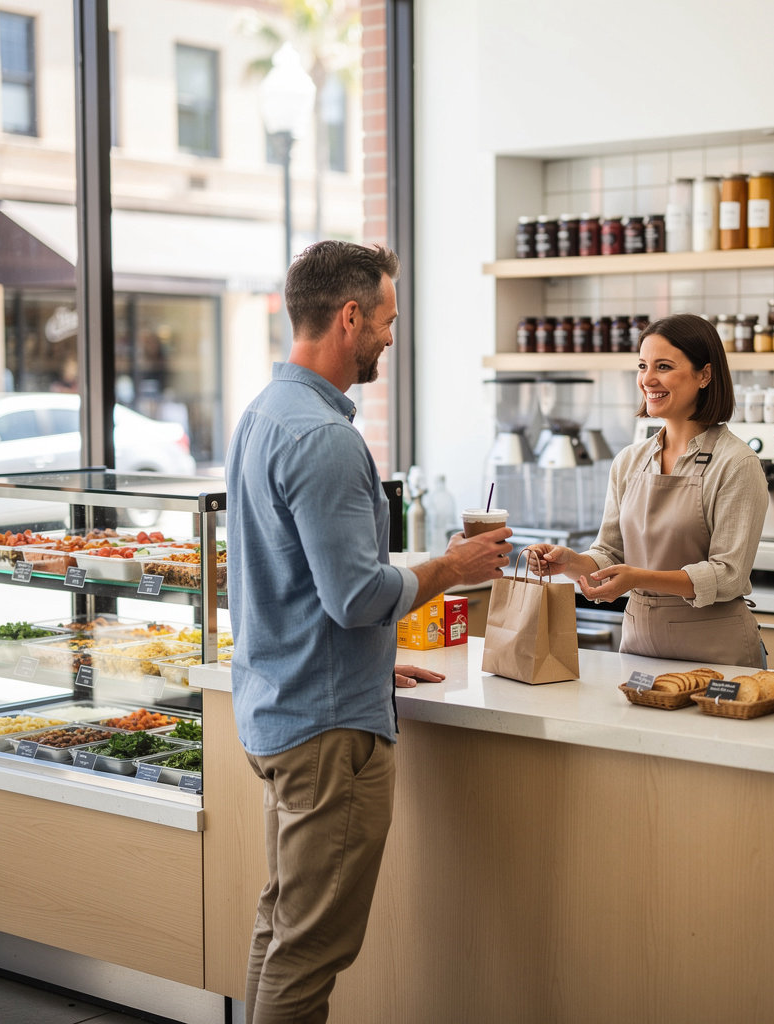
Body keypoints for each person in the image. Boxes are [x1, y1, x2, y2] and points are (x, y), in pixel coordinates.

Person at [225, 240, 512, 1024]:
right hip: (328, 735)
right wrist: (451, 568)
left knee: (283, 927)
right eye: (386, 320)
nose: (390, 336)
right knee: (311, 951)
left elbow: (284, 581)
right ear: (349, 317)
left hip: (281, 708)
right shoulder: (324, 437)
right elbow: (354, 596)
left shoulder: (262, 416)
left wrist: (372, 666)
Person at [528, 313, 768, 668]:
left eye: (664, 366)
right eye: (642, 366)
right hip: (641, 647)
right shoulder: (629, 461)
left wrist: (638, 577)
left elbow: (729, 575)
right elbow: (609, 553)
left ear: (705, 375)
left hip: (718, 653)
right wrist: (570, 563)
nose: (647, 379)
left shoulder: (736, 463)